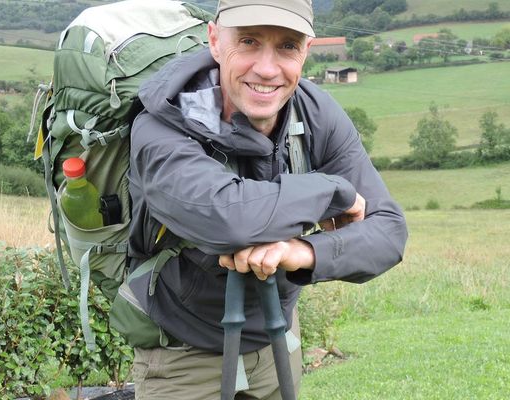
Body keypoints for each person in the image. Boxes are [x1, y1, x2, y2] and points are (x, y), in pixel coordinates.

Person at [127, 0, 408, 398]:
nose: (267, 68)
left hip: (278, 334)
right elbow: (229, 219)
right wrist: (334, 190)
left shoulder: (314, 114)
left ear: (306, 51)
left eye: (287, 46)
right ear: (214, 40)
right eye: (248, 41)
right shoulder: (162, 124)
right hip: (184, 355)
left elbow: (390, 232)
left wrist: (302, 252)